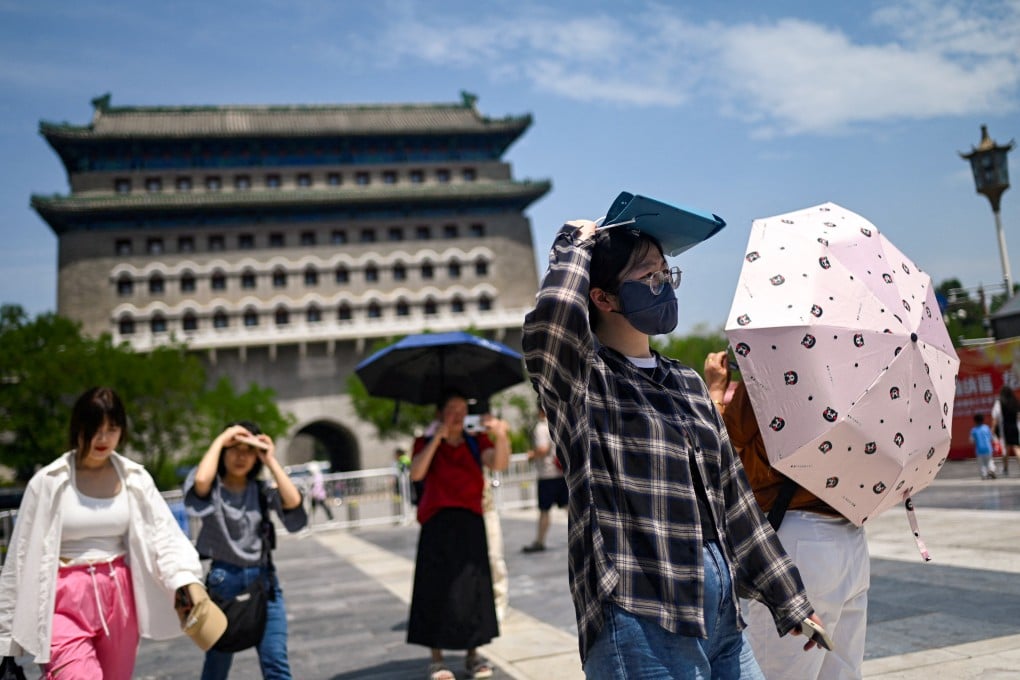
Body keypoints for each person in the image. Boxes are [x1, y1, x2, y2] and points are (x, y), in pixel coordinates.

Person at [522, 218, 824, 678]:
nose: (663, 285)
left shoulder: (685, 381)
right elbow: (551, 323)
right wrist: (574, 245)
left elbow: (734, 496)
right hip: (642, 613)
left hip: (721, 611)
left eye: (667, 274)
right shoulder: (584, 379)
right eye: (648, 276)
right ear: (602, 297)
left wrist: (787, 595)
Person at [0, 386, 205, 679]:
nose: (103, 437)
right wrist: (5, 638)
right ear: (78, 428)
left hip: (119, 597)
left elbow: (164, 536)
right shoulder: (48, 482)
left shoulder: (136, 478)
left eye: (112, 428)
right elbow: (19, 559)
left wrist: (187, 581)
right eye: (95, 427)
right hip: (63, 598)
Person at [705, 352, 870, 679]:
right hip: (850, 536)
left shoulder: (776, 361)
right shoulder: (861, 367)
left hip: (796, 537)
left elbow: (718, 443)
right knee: (840, 673)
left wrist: (714, 389)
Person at [184, 421, 307, 680]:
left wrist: (270, 460)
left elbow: (293, 501)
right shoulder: (214, 489)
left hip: (265, 585)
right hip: (224, 583)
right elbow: (201, 481)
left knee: (276, 663)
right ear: (224, 452)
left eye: (248, 450)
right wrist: (222, 438)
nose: (241, 456)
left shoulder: (261, 491)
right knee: (217, 666)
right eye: (234, 449)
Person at [406, 391, 511, 680]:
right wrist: (437, 439)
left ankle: (473, 654)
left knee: (473, 589)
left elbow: (498, 464)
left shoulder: (476, 442)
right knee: (435, 589)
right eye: (452, 408)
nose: (458, 415)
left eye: (463, 409)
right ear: (440, 412)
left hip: (470, 521)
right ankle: (437, 659)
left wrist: (501, 436)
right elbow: (416, 474)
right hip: (437, 522)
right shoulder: (425, 442)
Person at [521, 403, 567, 553]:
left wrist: (531, 455)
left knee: (544, 510)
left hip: (547, 474)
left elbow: (543, 448)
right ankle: (587, 534)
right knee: (569, 508)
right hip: (561, 473)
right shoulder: (558, 422)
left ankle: (539, 541)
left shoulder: (541, 427)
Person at [991, 385, 1020, 475]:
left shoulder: (999, 402)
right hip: (1016, 427)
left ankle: (1005, 469)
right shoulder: (1015, 402)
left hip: (1005, 428)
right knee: (1016, 448)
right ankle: (1007, 468)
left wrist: (992, 430)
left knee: (1005, 449)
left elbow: (995, 418)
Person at [971, 413, 997, 480]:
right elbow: (991, 437)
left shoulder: (974, 430)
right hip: (988, 448)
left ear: (975, 421)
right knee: (990, 461)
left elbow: (972, 440)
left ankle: (984, 475)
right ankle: (992, 470)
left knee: (981, 463)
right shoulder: (986, 428)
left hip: (979, 450)